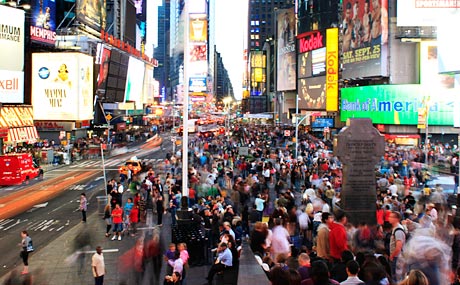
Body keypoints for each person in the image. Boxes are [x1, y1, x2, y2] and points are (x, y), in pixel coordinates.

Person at [389, 211, 406, 282]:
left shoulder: (398, 230)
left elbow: (399, 246)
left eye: (391, 217)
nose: (389, 218)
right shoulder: (395, 229)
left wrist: (392, 256)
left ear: (397, 219)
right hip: (396, 257)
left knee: (396, 278)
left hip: (397, 258)